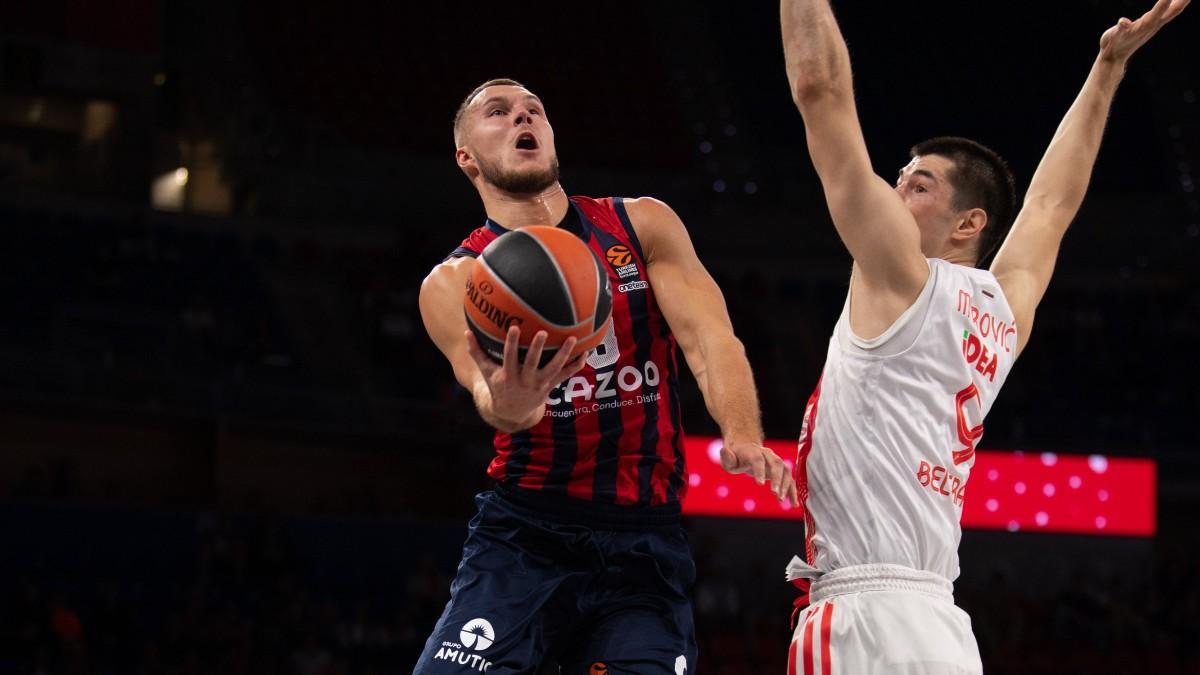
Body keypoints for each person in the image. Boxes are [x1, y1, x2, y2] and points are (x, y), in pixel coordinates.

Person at [777, 0, 1189, 673]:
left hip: (861, 617)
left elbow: (819, 91)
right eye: (899, 178)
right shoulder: (1003, 310)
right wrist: (1107, 69)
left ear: (967, 224)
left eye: (917, 186)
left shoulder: (897, 274)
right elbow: (1051, 205)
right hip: (943, 626)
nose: (893, 191)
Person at [414, 78, 797, 675]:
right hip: (525, 534)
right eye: (499, 112)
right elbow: (492, 397)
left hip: (644, 541)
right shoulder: (454, 281)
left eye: (534, 109)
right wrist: (515, 401)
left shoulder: (640, 224)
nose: (523, 117)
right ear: (467, 157)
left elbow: (709, 338)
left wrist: (742, 433)